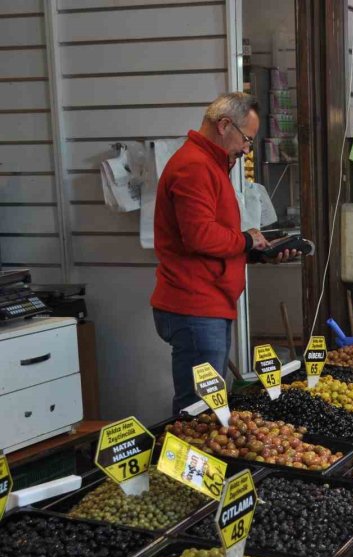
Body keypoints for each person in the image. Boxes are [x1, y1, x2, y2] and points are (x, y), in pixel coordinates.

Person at [151, 92, 296, 415]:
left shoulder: (210, 165)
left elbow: (214, 238)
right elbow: (200, 236)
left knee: (209, 405)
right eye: (247, 139)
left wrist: (257, 252)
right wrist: (246, 241)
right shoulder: (194, 167)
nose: (247, 149)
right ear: (224, 125)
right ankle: (190, 466)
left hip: (206, 304)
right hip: (194, 306)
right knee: (200, 411)